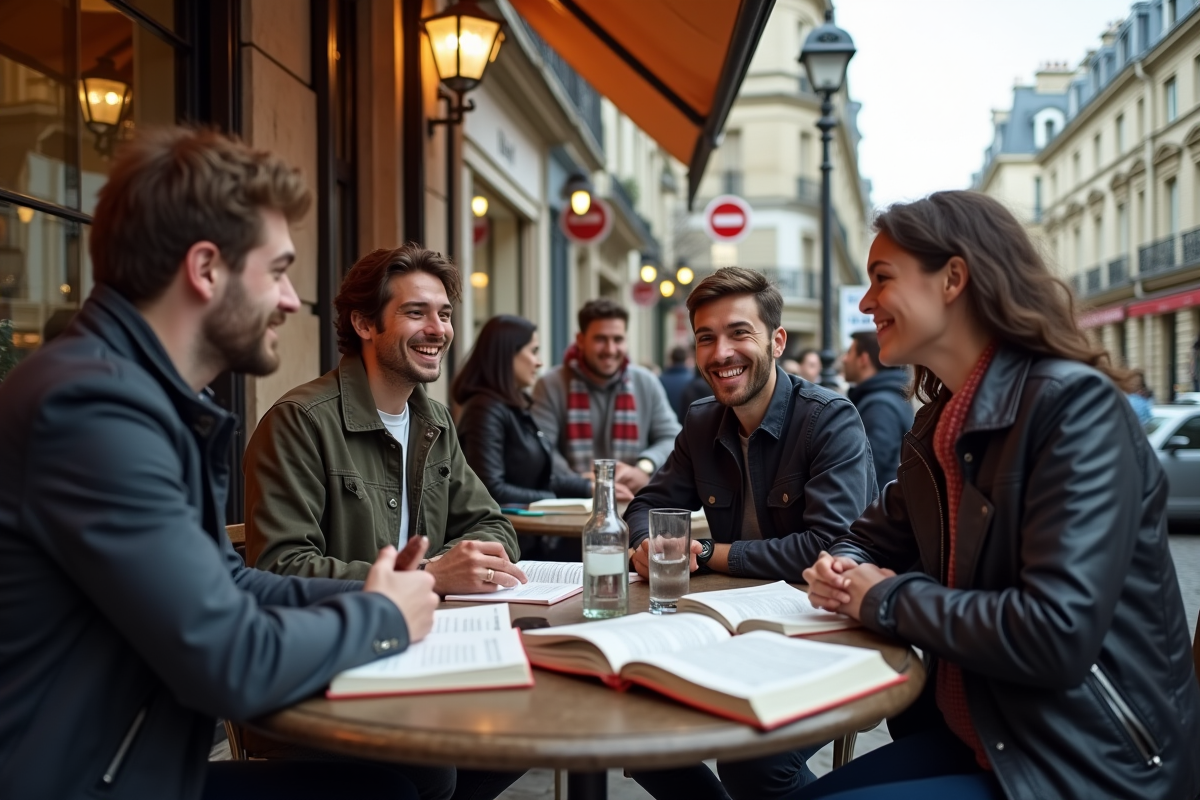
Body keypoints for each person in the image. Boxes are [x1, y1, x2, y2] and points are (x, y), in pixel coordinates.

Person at [0, 127, 439, 800]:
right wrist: (381, 620)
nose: (292, 301)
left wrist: (371, 592)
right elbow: (226, 659)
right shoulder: (90, 411)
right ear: (205, 269)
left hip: (124, 765)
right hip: (80, 780)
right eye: (279, 271)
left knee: (409, 778)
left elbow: (227, 584)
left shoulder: (135, 396)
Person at [801, 191, 1200, 800]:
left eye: (883, 279)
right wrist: (844, 568)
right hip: (990, 733)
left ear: (953, 279)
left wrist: (883, 597)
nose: (865, 302)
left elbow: (1055, 634)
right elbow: (868, 536)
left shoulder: (1074, 407)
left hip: (1089, 762)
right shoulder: (940, 423)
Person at [625, 267, 878, 800]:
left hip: (828, 630)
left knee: (756, 768)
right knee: (636, 733)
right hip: (732, 631)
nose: (721, 353)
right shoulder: (700, 422)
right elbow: (648, 504)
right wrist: (646, 545)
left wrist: (710, 554)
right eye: (706, 338)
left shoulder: (830, 419)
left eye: (739, 333)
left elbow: (826, 546)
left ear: (776, 341)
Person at [245, 245, 523, 594]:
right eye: (416, 312)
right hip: (343, 634)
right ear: (363, 323)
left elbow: (493, 525)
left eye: (445, 314)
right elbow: (280, 566)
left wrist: (448, 567)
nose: (438, 330)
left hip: (432, 625)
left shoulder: (435, 421)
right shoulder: (300, 422)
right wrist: (427, 576)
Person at [452, 314, 592, 560]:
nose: (539, 362)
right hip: (505, 547)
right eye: (534, 351)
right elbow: (491, 490)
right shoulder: (485, 409)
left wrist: (589, 486)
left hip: (526, 541)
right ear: (508, 354)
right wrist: (556, 500)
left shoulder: (511, 406)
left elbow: (533, 481)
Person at [531, 298, 681, 494]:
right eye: (600, 339)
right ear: (581, 340)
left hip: (634, 499)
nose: (610, 350)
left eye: (618, 339)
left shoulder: (646, 381)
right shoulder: (550, 384)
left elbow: (672, 438)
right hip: (572, 500)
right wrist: (581, 482)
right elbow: (541, 447)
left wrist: (644, 467)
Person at [843, 329, 914, 488]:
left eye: (849, 353)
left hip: (877, 506)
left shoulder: (880, 406)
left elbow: (867, 469)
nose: (844, 359)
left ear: (863, 359)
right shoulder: (887, 397)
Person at [659, 344, 694, 422]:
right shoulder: (692, 381)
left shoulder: (660, 380)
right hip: (687, 426)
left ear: (671, 359)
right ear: (686, 359)